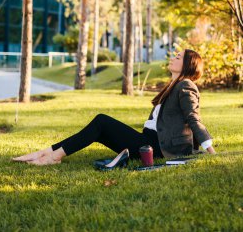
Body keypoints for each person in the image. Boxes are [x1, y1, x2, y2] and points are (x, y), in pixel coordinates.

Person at [13, 49, 215, 166]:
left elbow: (193, 118)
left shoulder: (186, 86)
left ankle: (53, 157)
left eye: (178, 57)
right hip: (148, 142)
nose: (173, 57)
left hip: (159, 149)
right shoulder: (172, 86)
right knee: (98, 130)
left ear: (188, 64)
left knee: (102, 121)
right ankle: (45, 152)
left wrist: (209, 150)